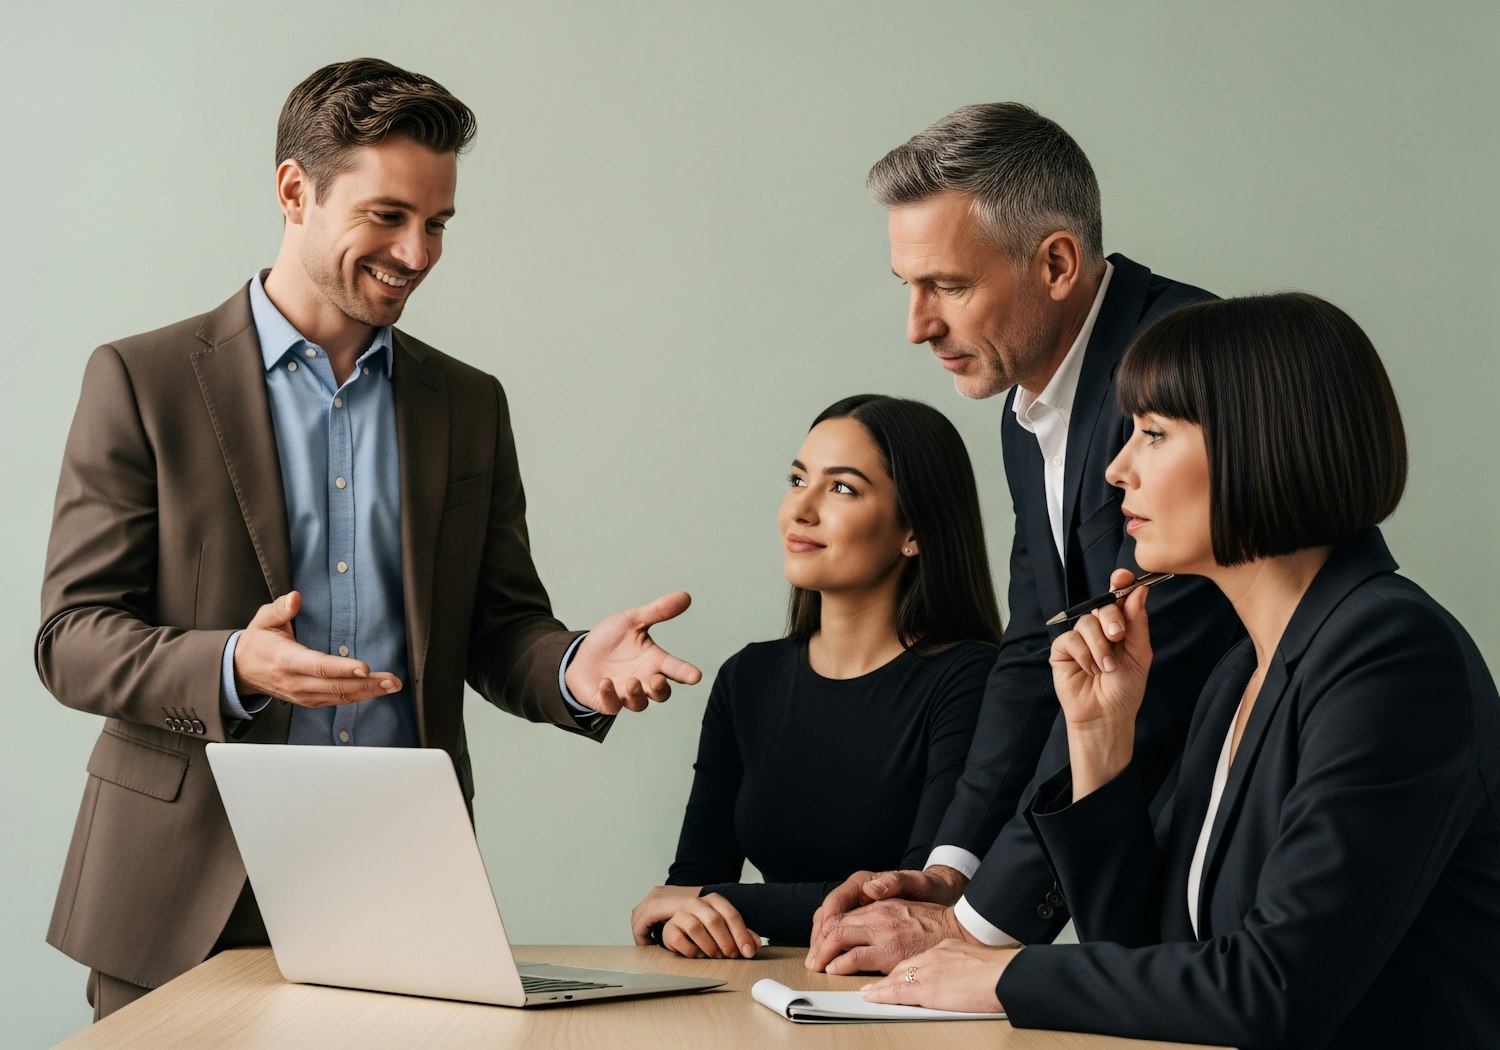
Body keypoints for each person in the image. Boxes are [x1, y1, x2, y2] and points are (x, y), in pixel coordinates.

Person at [36, 58, 701, 1021]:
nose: (417, 252)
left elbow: (495, 626)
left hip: (400, 888)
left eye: (437, 224)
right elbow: (71, 637)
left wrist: (570, 669)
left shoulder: (468, 404)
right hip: (182, 890)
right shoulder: (143, 382)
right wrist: (234, 662)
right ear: (294, 191)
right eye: (388, 216)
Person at [862, 293, 1500, 1050]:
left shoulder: (1389, 654)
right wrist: (1100, 745)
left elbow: (1273, 988)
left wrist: (999, 976)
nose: (1118, 468)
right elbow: (1148, 962)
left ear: (1263, 444)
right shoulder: (1239, 672)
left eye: (1154, 434)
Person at [808, 103, 1243, 973]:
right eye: (909, 287)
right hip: (1147, 856)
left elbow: (1145, 660)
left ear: (1055, 263)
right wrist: (950, 870)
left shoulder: (1183, 369)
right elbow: (1032, 653)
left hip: (1241, 835)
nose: (918, 326)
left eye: (949, 287)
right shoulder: (1024, 405)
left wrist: (979, 928)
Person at [629, 395, 1002, 956]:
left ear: (915, 531)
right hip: (767, 992)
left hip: (906, 1004)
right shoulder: (747, 678)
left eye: (843, 487)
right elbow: (690, 890)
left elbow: (914, 907)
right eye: (798, 479)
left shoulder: (968, 679)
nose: (801, 510)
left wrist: (703, 900)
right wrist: (685, 917)